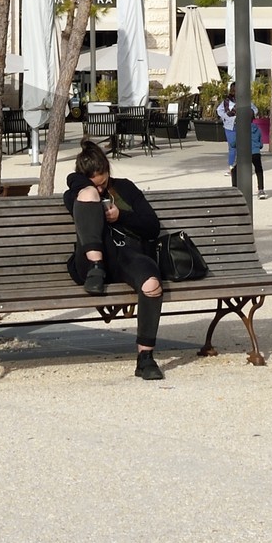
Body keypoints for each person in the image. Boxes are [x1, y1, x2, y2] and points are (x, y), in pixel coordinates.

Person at [64, 140, 166, 380]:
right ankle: (97, 265)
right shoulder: (77, 195)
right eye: (94, 184)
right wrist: (87, 186)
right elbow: (76, 183)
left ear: (109, 171)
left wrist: (121, 216)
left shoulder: (125, 188)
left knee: (152, 284)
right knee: (88, 196)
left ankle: (145, 357)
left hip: (126, 256)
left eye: (103, 183)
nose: (100, 189)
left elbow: (152, 227)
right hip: (88, 264)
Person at [217, 87, 264, 194]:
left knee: (235, 168)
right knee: (259, 169)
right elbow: (260, 143)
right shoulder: (257, 129)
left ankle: (234, 189)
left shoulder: (241, 128)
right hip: (255, 152)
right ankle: (261, 189)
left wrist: (235, 144)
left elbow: (233, 143)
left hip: (243, 151)